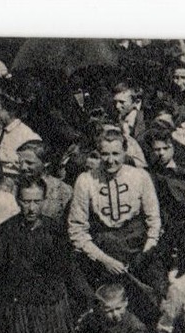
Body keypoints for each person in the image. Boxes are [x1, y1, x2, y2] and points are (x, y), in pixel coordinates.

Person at [67, 130, 163, 316]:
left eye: (116, 154)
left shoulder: (141, 176)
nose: (110, 160)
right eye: (105, 154)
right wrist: (105, 260)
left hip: (138, 249)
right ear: (97, 153)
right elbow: (77, 229)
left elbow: (154, 219)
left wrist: (146, 251)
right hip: (102, 249)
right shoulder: (85, 180)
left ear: (125, 152)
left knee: (152, 298)